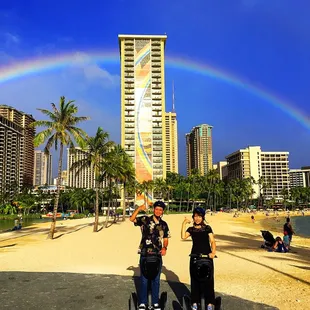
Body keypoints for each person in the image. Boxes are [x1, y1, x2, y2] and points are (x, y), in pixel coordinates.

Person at [130, 201, 170, 310]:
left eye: (160, 210)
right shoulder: (145, 219)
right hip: (144, 252)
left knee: (156, 279)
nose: (158, 211)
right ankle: (143, 302)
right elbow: (132, 219)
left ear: (162, 211)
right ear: (154, 210)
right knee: (144, 279)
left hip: (157, 254)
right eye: (157, 209)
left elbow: (166, 239)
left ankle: (155, 302)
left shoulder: (164, 224)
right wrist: (139, 209)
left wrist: (164, 248)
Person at [181, 207, 216, 310]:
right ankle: (195, 302)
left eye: (199, 216)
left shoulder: (207, 228)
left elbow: (212, 241)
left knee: (209, 280)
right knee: (195, 280)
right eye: (195, 216)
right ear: (193, 217)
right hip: (195, 257)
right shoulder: (191, 229)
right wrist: (184, 223)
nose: (197, 218)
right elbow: (183, 236)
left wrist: (213, 252)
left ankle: (210, 303)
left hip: (207, 257)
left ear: (202, 217)